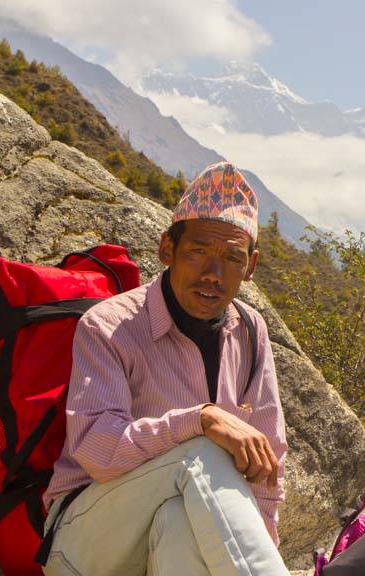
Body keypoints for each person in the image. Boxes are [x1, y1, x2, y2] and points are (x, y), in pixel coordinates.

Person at [41, 161, 290, 576]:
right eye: (197, 252)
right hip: (84, 547)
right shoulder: (109, 326)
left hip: (168, 532)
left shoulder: (250, 331)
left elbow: (268, 464)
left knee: (179, 520)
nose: (213, 274)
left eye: (231, 258)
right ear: (166, 250)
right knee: (204, 451)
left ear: (251, 266)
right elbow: (99, 453)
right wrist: (200, 421)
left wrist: (262, 545)